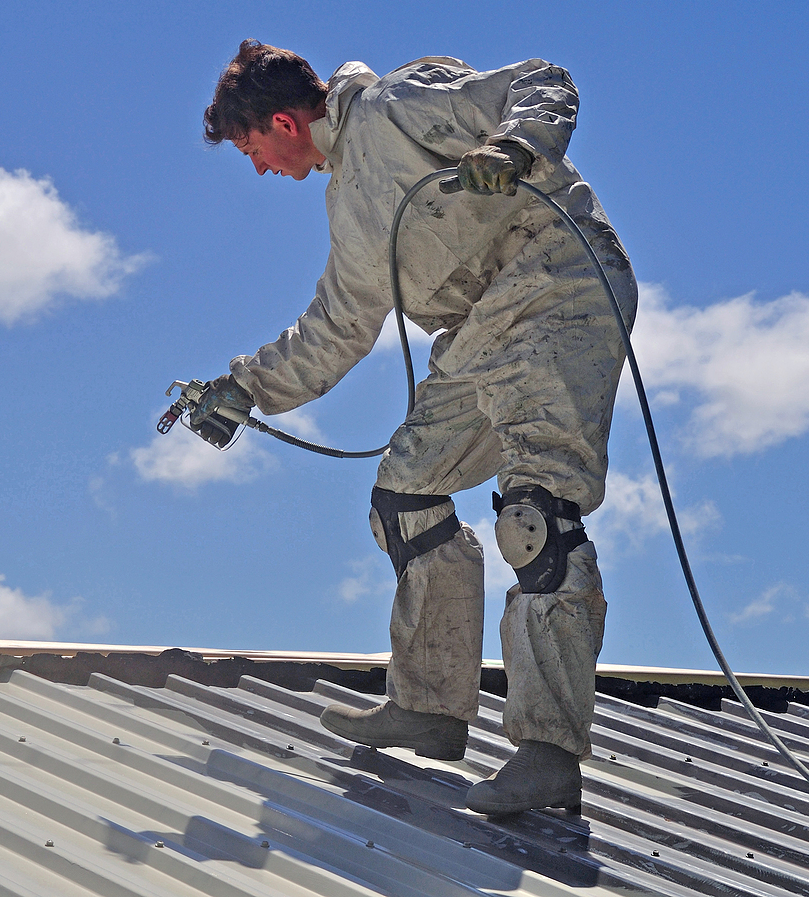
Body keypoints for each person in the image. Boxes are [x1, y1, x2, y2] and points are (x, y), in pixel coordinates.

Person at [198, 40, 637, 815]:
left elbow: (540, 80)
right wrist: (245, 388)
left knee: (536, 516)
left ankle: (547, 753)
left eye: (252, 148)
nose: (259, 167)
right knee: (405, 495)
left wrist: (516, 143)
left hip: (556, 286)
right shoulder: (351, 205)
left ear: (280, 121)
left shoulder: (397, 108)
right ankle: (432, 708)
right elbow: (336, 326)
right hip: (478, 335)